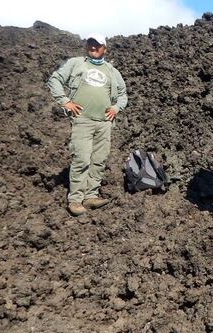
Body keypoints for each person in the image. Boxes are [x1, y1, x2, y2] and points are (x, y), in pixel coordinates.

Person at [47, 33, 128, 216]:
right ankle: (75, 200)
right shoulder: (76, 63)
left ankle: (90, 196)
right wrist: (64, 101)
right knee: (82, 158)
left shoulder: (112, 71)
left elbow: (123, 94)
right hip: (82, 120)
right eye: (90, 44)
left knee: (99, 160)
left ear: (104, 48)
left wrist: (116, 107)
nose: (93, 47)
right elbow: (55, 79)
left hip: (105, 122)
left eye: (97, 45)